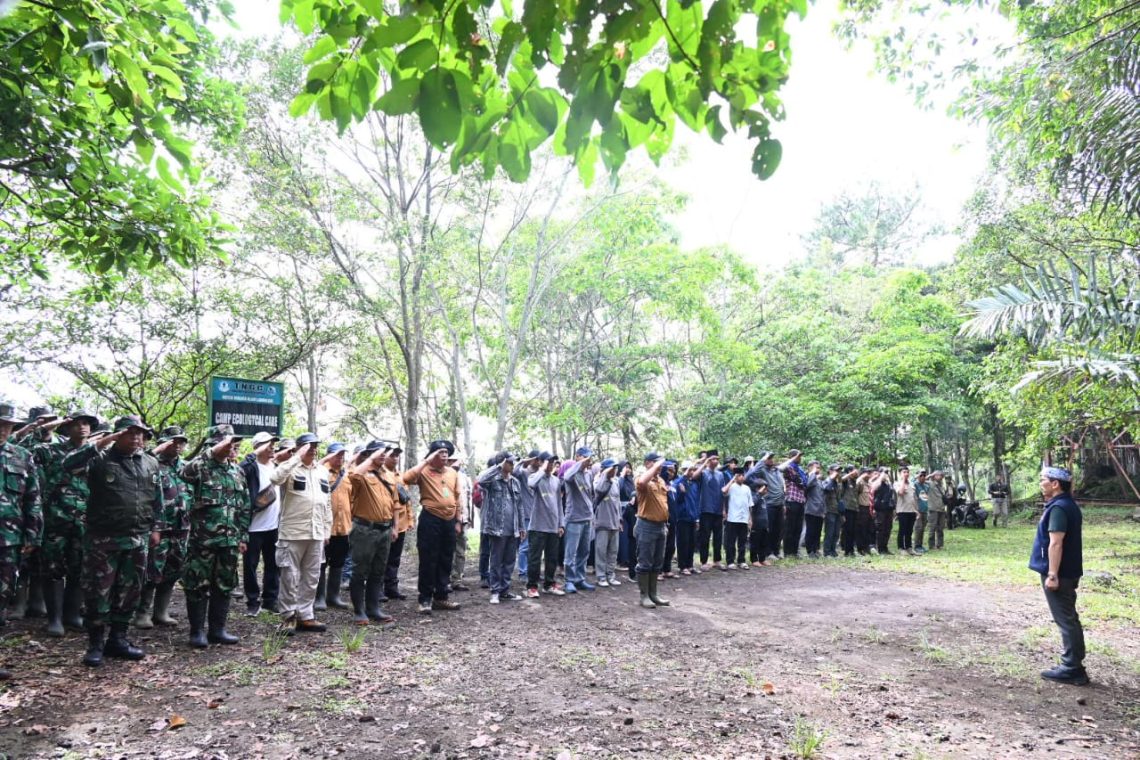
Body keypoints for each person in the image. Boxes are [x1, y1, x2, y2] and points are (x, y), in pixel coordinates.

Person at [75, 415, 162, 666]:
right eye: (130, 432)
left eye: (140, 433)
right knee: (98, 592)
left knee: (130, 591)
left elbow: (156, 500)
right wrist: (100, 444)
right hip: (104, 540)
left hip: (137, 539)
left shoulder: (149, 463)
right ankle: (95, 644)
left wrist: (156, 528)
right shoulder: (99, 459)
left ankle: (118, 639)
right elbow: (68, 465)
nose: (136, 437)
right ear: (116, 435)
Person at [179, 425, 250, 648]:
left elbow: (245, 506)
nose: (232, 448)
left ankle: (218, 630)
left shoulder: (237, 472)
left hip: (229, 541)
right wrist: (211, 452)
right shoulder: (201, 467)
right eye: (226, 444)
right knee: (197, 584)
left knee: (225, 584)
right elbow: (185, 472)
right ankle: (197, 631)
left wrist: (243, 536)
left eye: (233, 445)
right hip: (203, 540)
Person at [33, 411, 98, 637]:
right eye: (77, 424)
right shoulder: (49, 451)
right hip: (55, 519)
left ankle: (72, 615)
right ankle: (54, 619)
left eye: (87, 424)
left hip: (84, 521)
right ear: (66, 428)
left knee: (79, 567)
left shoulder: (97, 455)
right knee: (53, 569)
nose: (82, 427)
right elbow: (27, 443)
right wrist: (52, 424)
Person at [1030, 466, 1088, 686]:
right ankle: (1073, 664)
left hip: (1060, 574)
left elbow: (1056, 542)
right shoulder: (1067, 505)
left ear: (1055, 484)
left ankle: (1072, 668)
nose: (1040, 483)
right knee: (1069, 618)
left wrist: (1052, 574)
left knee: (1066, 620)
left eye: (1042, 479)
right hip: (1067, 572)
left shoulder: (1059, 508)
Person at [269, 432, 331, 633]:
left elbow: (327, 503)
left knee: (312, 576)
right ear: (298, 447)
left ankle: (306, 615)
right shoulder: (289, 467)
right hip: (293, 532)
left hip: (316, 532)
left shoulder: (322, 471)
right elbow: (275, 478)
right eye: (308, 446)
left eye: (315, 446)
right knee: (289, 576)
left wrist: (327, 529)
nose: (312, 449)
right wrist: (296, 457)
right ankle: (288, 617)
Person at [0, 402, 43, 680]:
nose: (3, 430)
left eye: (7, 426)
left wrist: (32, 533)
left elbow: (33, 499)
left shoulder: (22, 456)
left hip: (9, 540)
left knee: (2, 597)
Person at [133, 425, 191, 629]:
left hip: (181, 527)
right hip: (158, 527)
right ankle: (142, 613)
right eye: (173, 441)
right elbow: (137, 462)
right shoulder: (151, 463)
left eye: (181, 442)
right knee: (151, 571)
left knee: (173, 570)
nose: (178, 445)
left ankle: (161, 612)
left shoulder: (185, 467)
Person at [402, 439, 462, 615]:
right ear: (432, 455)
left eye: (446, 452)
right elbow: (406, 478)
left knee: (445, 559)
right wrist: (427, 461)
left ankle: (441, 598)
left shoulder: (452, 473)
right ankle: (425, 599)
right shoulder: (424, 471)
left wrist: (458, 520)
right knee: (429, 559)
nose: (444, 455)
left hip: (449, 521)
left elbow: (456, 497)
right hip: (431, 519)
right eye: (440, 452)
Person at [347, 441, 398, 625]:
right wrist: (370, 459)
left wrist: (394, 526)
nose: (383, 455)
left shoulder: (389, 475)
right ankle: (359, 611)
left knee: (378, 571)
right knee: (360, 570)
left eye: (385, 452)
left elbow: (394, 503)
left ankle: (373, 608)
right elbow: (352, 476)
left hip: (384, 529)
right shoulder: (362, 473)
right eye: (379, 452)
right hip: (364, 530)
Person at [239, 431, 282, 616]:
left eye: (273, 444)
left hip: (274, 526)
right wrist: (256, 452)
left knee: (274, 564)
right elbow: (241, 469)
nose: (272, 447)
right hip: (253, 527)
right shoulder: (250, 467)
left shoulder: (277, 466)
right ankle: (252, 601)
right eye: (268, 444)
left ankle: (270, 600)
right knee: (250, 565)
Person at [477, 453, 525, 604]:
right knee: (496, 561)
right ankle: (495, 591)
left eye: (512, 463)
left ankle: (505, 590)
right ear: (502, 463)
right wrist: (498, 466)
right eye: (509, 462)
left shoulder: (515, 482)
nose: (512, 465)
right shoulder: (492, 481)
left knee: (510, 560)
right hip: (497, 528)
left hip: (513, 529)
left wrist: (522, 527)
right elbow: (481, 480)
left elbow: (520, 506)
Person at [634, 452, 671, 609]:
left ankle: (653, 594)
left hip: (661, 526)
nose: (660, 466)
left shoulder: (660, 480)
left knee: (657, 562)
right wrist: (655, 466)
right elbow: (642, 482)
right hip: (646, 525)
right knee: (645, 562)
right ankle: (644, 596)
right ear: (648, 463)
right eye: (656, 463)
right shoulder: (642, 479)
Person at [525, 452, 565, 597]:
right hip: (537, 526)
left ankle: (549, 584)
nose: (551, 465)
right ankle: (531, 587)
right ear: (541, 462)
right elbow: (531, 484)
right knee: (534, 558)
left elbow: (559, 504)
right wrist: (543, 469)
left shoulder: (556, 481)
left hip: (553, 526)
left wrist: (561, 524)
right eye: (549, 462)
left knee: (552, 558)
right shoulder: (535, 477)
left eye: (553, 463)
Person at [560, 447, 596, 592]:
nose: (588, 461)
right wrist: (579, 464)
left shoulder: (588, 475)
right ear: (578, 457)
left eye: (589, 458)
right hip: (574, 518)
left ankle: (580, 579)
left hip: (587, 518)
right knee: (571, 552)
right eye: (585, 458)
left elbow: (590, 494)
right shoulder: (572, 473)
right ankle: (569, 580)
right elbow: (567, 477)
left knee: (584, 551)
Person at [321, 442, 351, 609]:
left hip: (343, 527)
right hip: (325, 528)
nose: (340, 458)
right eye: (336, 455)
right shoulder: (321, 471)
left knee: (339, 562)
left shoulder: (346, 474)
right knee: (321, 563)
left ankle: (333, 596)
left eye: (342, 455)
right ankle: (319, 598)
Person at [384, 443, 413, 602]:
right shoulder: (379, 475)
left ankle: (391, 588)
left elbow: (406, 499)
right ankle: (379, 589)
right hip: (384, 521)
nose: (395, 458)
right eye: (392, 455)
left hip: (400, 523)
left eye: (397, 455)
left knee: (395, 558)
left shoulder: (401, 477)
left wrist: (410, 519)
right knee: (382, 557)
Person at [746, 452, 785, 561]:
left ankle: (776, 550)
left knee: (779, 529)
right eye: (769, 458)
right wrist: (762, 460)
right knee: (769, 529)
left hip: (779, 503)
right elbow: (750, 475)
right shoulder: (761, 470)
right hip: (768, 504)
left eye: (772, 458)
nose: (771, 460)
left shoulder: (776, 471)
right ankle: (769, 552)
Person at [694, 451, 728, 570]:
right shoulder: (703, 472)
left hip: (718, 509)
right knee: (705, 536)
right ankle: (703, 562)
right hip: (706, 509)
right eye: (713, 459)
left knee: (718, 536)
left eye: (717, 459)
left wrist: (723, 509)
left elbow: (723, 492)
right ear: (709, 460)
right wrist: (704, 463)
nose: (716, 461)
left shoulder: (720, 474)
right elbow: (693, 476)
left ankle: (717, 560)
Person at [592, 458, 623, 587]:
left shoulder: (616, 483)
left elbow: (618, 502)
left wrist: (620, 519)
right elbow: (598, 491)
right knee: (601, 551)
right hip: (602, 522)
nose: (614, 471)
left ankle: (611, 575)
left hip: (614, 523)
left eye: (615, 468)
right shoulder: (597, 482)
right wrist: (605, 475)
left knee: (613, 551)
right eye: (611, 468)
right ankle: (601, 576)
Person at [512, 450, 541, 584]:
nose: (540, 462)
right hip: (526, 514)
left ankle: (533, 571)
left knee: (536, 546)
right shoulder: (523, 473)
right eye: (537, 459)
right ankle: (523, 572)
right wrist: (524, 461)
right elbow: (514, 472)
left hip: (540, 516)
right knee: (525, 546)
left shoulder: (541, 474)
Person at [449, 450, 475, 591]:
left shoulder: (464, 477)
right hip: (448, 519)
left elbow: (468, 499)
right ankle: (444, 578)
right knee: (447, 550)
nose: (456, 463)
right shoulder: (444, 475)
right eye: (453, 460)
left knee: (460, 551)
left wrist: (470, 519)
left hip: (463, 519)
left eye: (457, 460)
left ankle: (456, 579)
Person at [721, 468, 751, 569]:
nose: (741, 477)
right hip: (732, 518)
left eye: (743, 475)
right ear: (735, 476)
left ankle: (741, 561)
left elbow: (750, 504)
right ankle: (730, 561)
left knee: (742, 541)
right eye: (739, 475)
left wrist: (750, 519)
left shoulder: (747, 488)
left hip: (744, 518)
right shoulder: (731, 487)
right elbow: (723, 491)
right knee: (731, 542)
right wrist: (732, 480)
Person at [779, 450, 808, 559]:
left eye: (800, 456)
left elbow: (805, 483)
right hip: (791, 499)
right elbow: (780, 468)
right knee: (789, 528)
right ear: (792, 457)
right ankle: (787, 552)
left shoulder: (799, 469)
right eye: (798, 456)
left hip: (801, 500)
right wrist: (790, 459)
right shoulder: (788, 467)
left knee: (798, 528)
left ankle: (795, 552)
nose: (800, 458)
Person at [673, 462, 700, 575]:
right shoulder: (679, 482)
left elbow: (696, 501)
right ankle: (682, 566)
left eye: (693, 470)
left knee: (691, 542)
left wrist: (697, 518)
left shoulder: (693, 484)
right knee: (683, 542)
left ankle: (690, 565)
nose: (692, 472)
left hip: (692, 517)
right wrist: (682, 491)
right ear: (685, 470)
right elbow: (677, 495)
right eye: (690, 470)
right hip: (682, 517)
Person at [803, 461, 826, 558]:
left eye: (819, 467)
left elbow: (822, 496)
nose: (818, 469)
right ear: (810, 468)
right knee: (811, 531)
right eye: (816, 467)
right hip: (811, 509)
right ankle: (810, 551)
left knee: (818, 531)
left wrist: (824, 510)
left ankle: (815, 549)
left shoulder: (819, 481)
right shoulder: (809, 477)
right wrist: (812, 472)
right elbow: (807, 485)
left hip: (820, 510)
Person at [894, 467, 918, 555]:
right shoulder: (897, 483)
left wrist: (916, 510)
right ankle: (901, 548)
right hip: (902, 511)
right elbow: (900, 492)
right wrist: (903, 479)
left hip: (912, 511)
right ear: (899, 473)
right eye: (904, 472)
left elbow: (914, 498)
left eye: (907, 472)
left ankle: (909, 547)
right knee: (902, 530)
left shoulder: (912, 484)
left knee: (910, 530)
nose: (906, 474)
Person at [821, 465, 842, 558]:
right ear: (830, 471)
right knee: (829, 532)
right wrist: (831, 478)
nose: (838, 473)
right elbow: (826, 489)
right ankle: (827, 552)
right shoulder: (827, 481)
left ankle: (833, 551)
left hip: (837, 511)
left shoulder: (837, 483)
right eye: (836, 470)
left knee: (836, 533)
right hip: (829, 510)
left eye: (839, 471)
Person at [872, 468, 895, 555]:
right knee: (880, 529)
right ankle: (880, 548)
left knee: (888, 528)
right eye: (884, 472)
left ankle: (885, 548)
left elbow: (891, 495)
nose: (886, 474)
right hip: (880, 509)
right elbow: (873, 488)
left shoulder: (888, 483)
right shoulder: (877, 482)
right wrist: (881, 477)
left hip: (888, 509)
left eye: (887, 472)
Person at [854, 469, 876, 555]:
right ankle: (860, 548)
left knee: (869, 529)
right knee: (861, 529)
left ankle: (867, 547)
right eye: (867, 473)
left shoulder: (869, 483)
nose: (869, 475)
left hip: (869, 508)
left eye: (870, 473)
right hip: (862, 508)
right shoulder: (860, 482)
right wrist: (861, 477)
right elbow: (856, 489)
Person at [839, 466, 860, 557]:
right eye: (853, 470)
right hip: (847, 508)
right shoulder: (845, 480)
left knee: (854, 530)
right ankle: (847, 551)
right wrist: (851, 473)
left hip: (854, 508)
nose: (856, 472)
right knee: (848, 530)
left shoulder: (855, 481)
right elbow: (841, 479)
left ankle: (851, 550)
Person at [926, 471, 948, 550]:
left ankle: (940, 544)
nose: (941, 477)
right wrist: (931, 475)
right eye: (939, 475)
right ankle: (931, 545)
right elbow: (920, 480)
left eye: (942, 475)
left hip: (941, 509)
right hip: (933, 509)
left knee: (941, 528)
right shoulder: (930, 484)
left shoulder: (942, 485)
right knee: (932, 527)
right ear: (934, 475)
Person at [913, 470, 930, 555]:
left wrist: (929, 476)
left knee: (922, 528)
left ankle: (920, 545)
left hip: (925, 510)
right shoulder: (915, 485)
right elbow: (911, 482)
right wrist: (916, 476)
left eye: (924, 475)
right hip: (918, 510)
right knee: (918, 528)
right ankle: (916, 546)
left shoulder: (926, 486)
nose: (923, 477)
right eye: (921, 475)